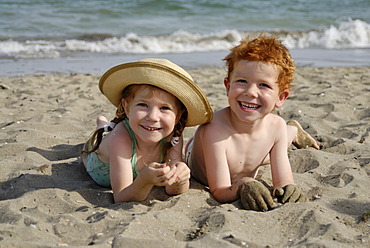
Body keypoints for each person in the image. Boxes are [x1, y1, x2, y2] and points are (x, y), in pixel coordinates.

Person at [185, 35, 319, 211]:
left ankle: (292, 131)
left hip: (248, 155)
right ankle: (292, 131)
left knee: (270, 153)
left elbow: (282, 182)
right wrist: (244, 183)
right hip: (199, 153)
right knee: (259, 157)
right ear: (227, 86)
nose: (250, 92)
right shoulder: (213, 130)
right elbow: (219, 190)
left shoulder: (276, 126)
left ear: (280, 98)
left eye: (263, 85)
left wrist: (288, 188)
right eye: (242, 81)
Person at [82, 58, 213, 203]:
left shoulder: (174, 136)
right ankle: (102, 124)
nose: (153, 117)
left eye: (165, 108)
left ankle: (104, 124)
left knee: (108, 130)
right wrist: (144, 180)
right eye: (143, 105)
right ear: (126, 107)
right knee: (103, 134)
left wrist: (181, 178)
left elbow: (172, 190)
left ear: (178, 116)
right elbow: (121, 197)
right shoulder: (120, 139)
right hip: (97, 158)